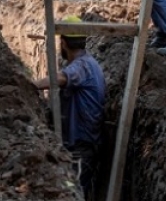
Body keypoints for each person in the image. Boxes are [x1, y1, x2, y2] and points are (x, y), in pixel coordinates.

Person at [34, 16, 106, 199]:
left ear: (63, 43)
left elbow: (60, 78)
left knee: (74, 191)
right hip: (81, 143)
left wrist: (29, 84)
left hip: (80, 145)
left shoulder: (82, 66)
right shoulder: (90, 63)